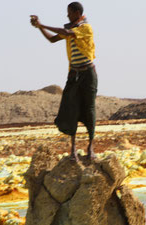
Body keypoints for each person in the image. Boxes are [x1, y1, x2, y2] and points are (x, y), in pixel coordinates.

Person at [30, 2, 97, 162]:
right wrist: (40, 28)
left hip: (87, 74)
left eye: (69, 13)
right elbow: (53, 39)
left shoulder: (85, 28)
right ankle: (73, 150)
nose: (67, 16)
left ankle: (90, 147)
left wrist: (42, 24)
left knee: (89, 109)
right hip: (73, 74)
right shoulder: (71, 30)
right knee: (71, 109)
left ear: (77, 12)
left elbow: (66, 32)